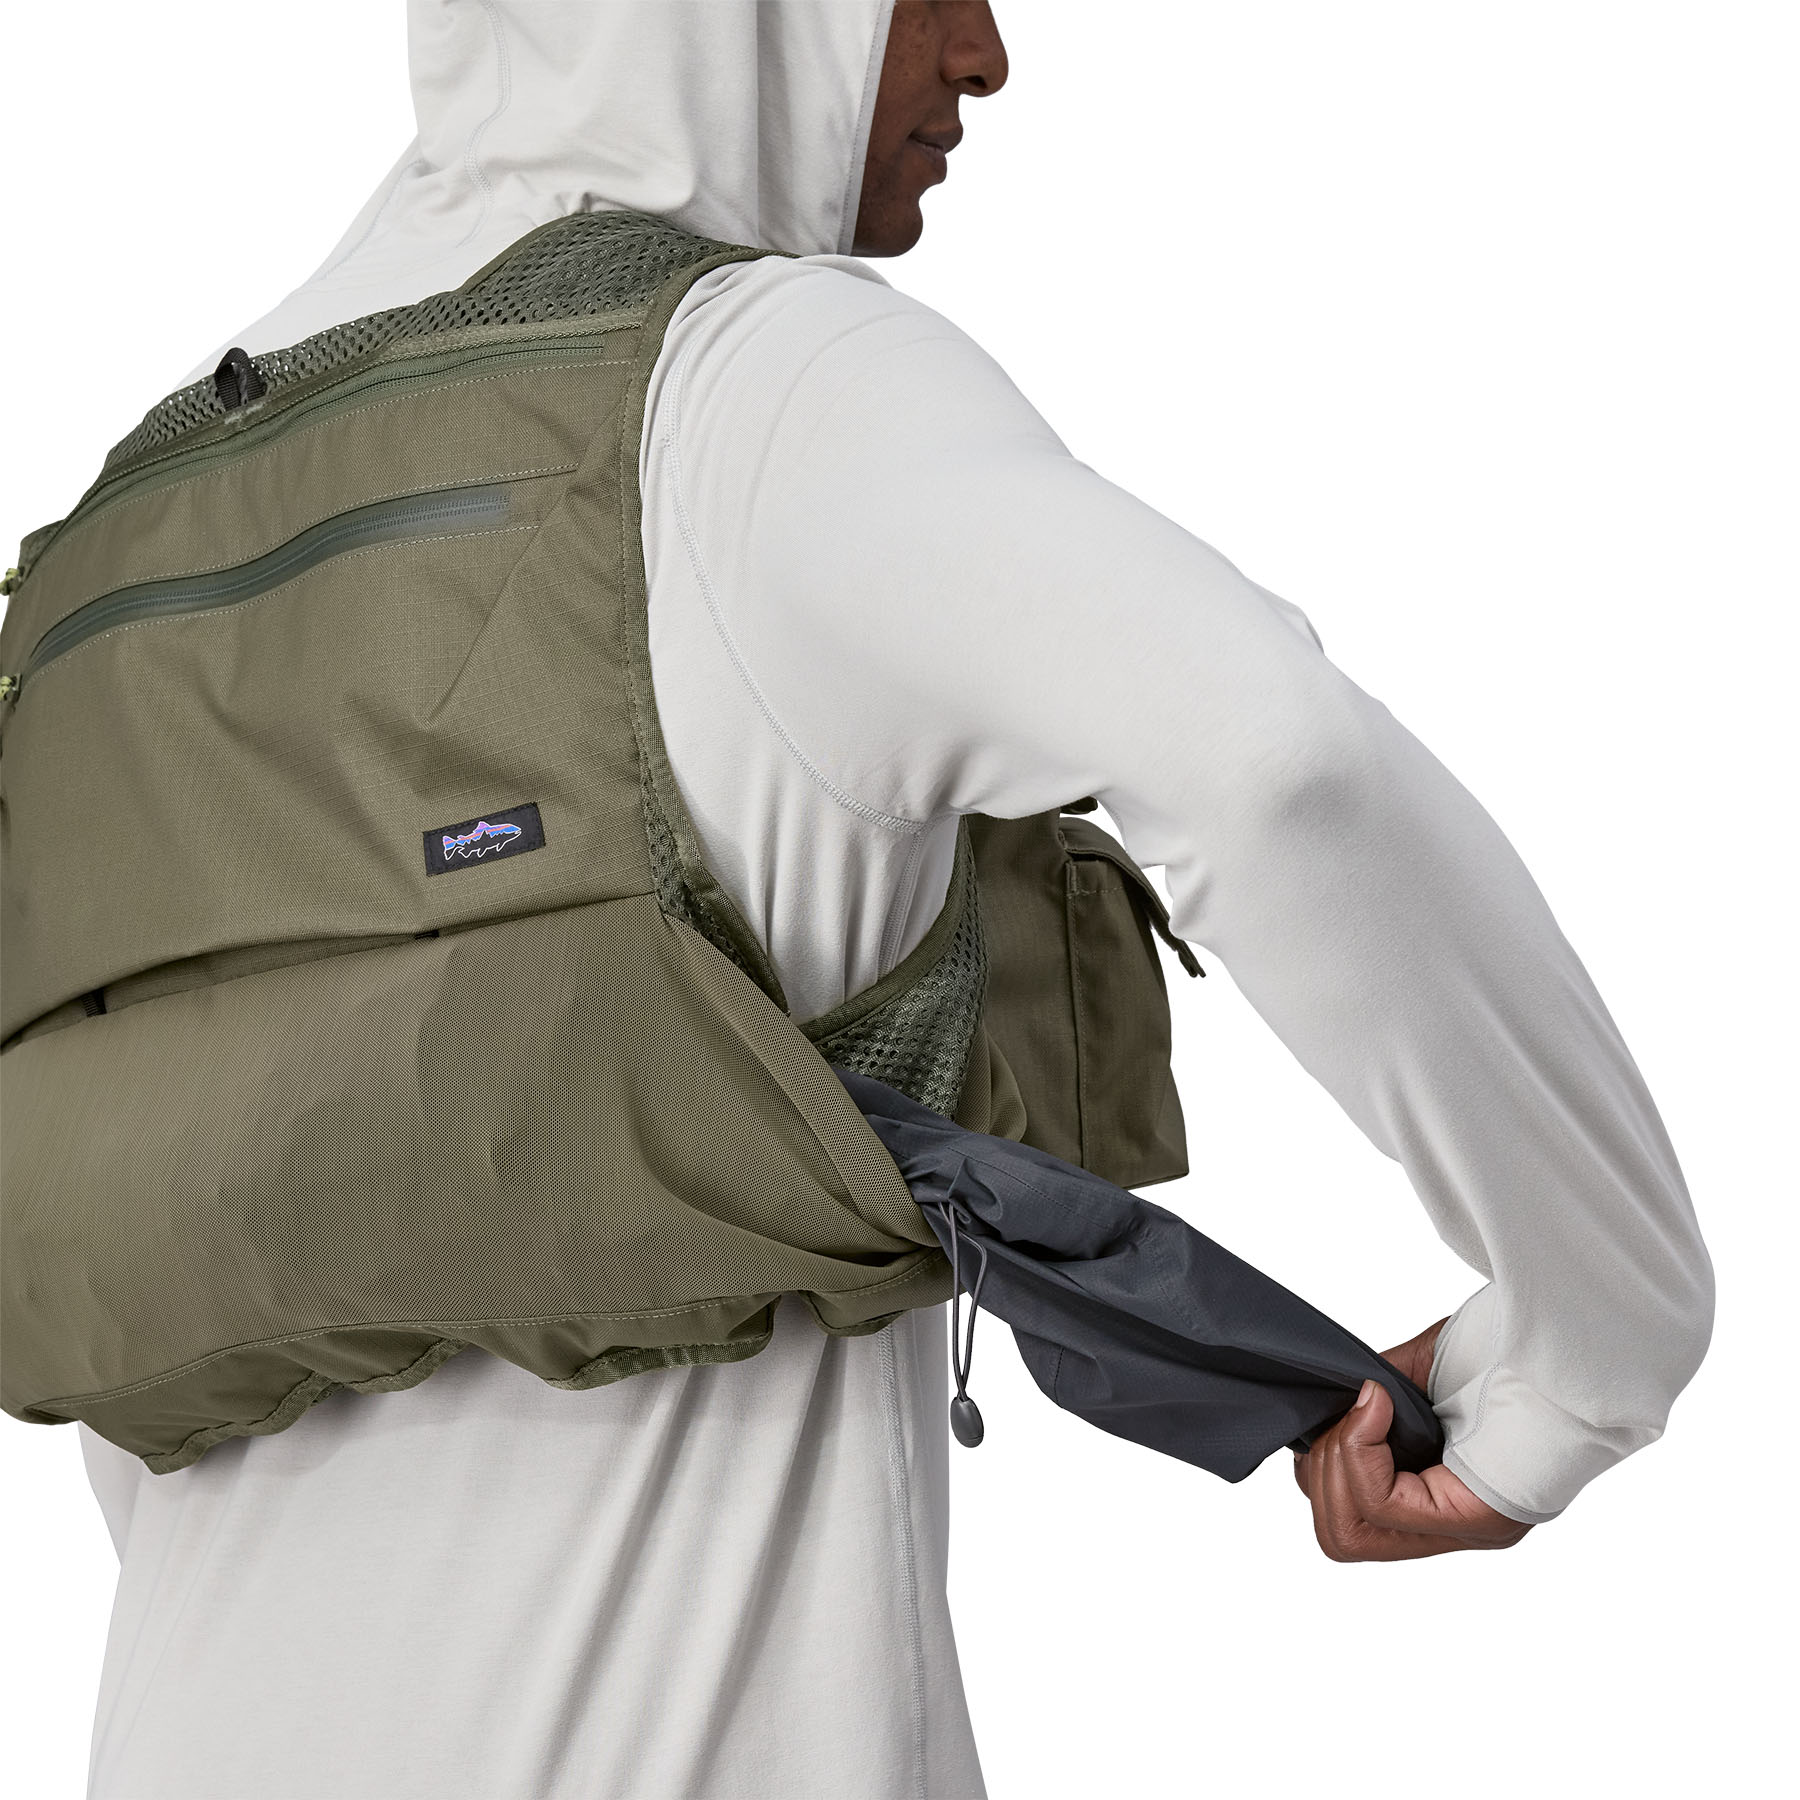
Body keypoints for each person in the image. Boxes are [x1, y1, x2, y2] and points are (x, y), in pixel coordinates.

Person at [61, 3, 1713, 1795]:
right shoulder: (756, 381)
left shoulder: (128, 532)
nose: (984, 51)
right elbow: (1279, 762)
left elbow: (138, 1304)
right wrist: (1591, 1349)